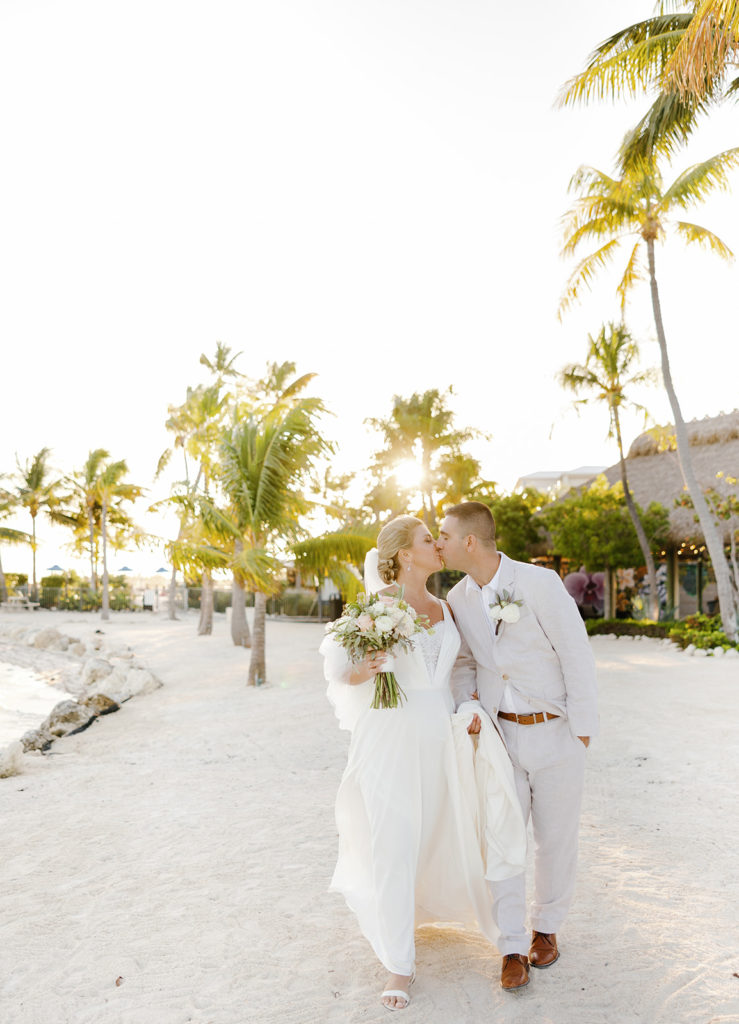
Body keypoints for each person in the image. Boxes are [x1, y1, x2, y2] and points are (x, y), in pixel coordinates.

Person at [320, 515, 526, 1012]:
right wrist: (363, 669)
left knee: (439, 831)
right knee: (393, 840)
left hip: (439, 736)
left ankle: (429, 917)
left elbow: (458, 673)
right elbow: (341, 669)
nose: (438, 545)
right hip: (390, 734)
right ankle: (399, 965)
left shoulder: (445, 606)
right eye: (427, 541)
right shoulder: (380, 606)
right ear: (405, 555)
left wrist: (471, 709)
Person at [437, 501, 598, 992]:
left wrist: (582, 730)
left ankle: (545, 928)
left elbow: (576, 651)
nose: (437, 542)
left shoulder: (539, 583)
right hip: (499, 737)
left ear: (469, 541)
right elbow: (464, 662)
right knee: (503, 839)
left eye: (443, 534)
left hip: (556, 732)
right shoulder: (459, 598)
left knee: (555, 840)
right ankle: (510, 946)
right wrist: (469, 708)